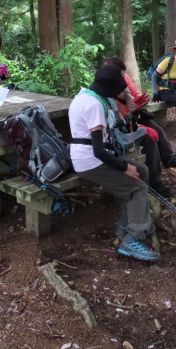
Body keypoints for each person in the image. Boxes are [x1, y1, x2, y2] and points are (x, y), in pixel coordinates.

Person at [68, 65, 160, 263]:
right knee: (138, 188)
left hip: (91, 156)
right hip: (90, 162)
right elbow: (98, 150)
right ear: (109, 88)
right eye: (118, 88)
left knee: (142, 170)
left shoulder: (86, 96)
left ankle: (127, 224)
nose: (121, 91)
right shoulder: (94, 105)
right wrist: (124, 167)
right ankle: (133, 238)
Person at [102, 56, 176, 172]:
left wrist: (139, 102)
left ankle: (170, 158)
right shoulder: (103, 88)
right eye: (120, 76)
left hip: (132, 116)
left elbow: (135, 94)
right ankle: (155, 178)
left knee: (157, 130)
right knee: (149, 137)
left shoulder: (124, 77)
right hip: (119, 127)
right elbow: (112, 119)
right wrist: (139, 125)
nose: (123, 79)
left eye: (123, 75)